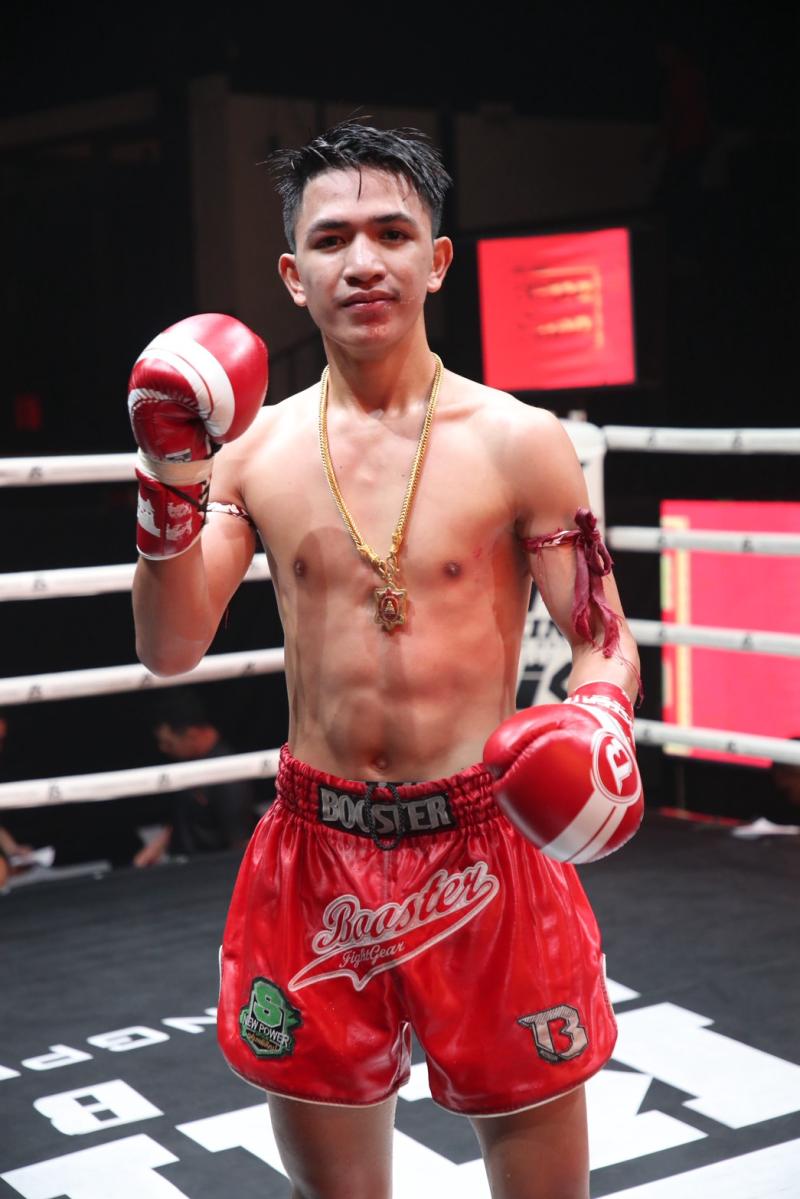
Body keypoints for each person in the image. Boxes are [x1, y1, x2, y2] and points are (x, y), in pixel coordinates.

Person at [130, 121, 641, 1199]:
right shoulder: (256, 450)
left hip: (485, 845)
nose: (362, 260)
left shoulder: (518, 441)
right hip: (316, 850)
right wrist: (168, 481)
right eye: (331, 239)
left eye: (391, 233)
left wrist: (599, 719)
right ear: (293, 275)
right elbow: (170, 647)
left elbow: (600, 636)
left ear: (435, 259)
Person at [133, 689, 257, 867]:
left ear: (190, 735)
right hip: (186, 864)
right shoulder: (190, 760)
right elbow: (185, 816)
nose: (163, 749)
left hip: (213, 870)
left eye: (169, 743)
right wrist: (155, 848)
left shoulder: (229, 775)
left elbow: (241, 844)